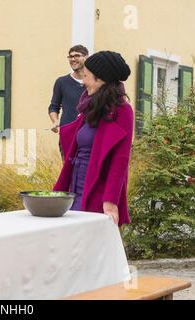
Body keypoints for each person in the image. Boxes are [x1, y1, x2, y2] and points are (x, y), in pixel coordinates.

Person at [53, 50, 133, 227]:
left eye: (87, 76)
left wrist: (111, 201)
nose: (83, 81)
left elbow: (121, 160)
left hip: (97, 189)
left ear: (100, 79)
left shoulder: (122, 111)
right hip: (75, 185)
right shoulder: (89, 108)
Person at [48, 45, 89, 157]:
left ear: (86, 57)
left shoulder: (94, 81)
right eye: (70, 56)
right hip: (67, 133)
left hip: (89, 134)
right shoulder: (61, 82)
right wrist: (56, 121)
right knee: (68, 169)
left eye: (77, 56)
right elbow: (53, 107)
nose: (73, 59)